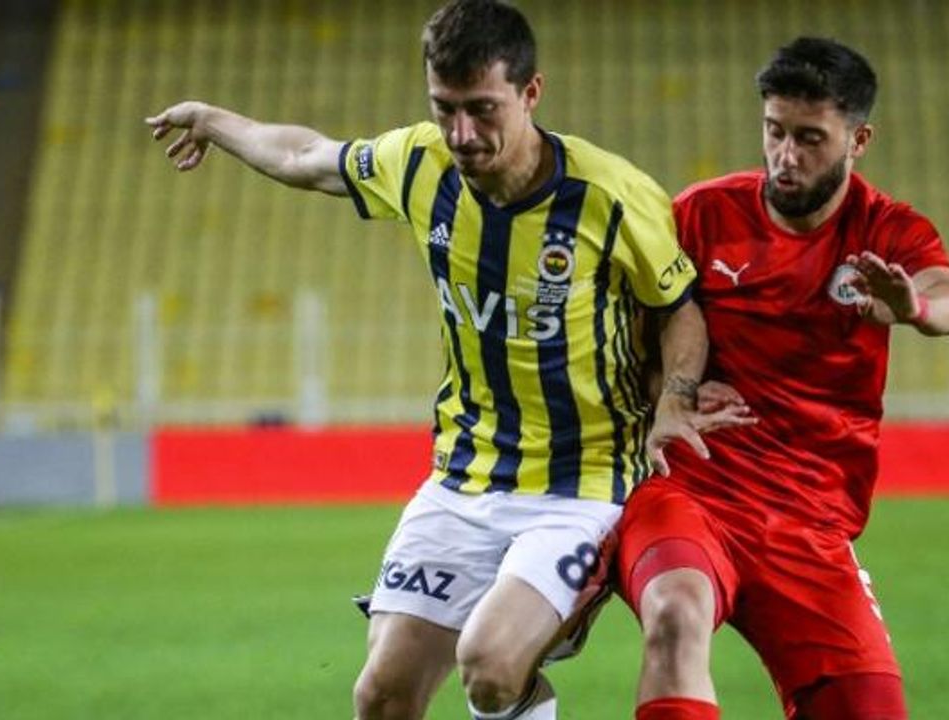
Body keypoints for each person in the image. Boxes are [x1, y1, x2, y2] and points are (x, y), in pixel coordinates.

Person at [145, 2, 752, 718]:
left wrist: (674, 398)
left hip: (581, 484)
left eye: (482, 109)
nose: (462, 134)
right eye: (445, 109)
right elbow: (306, 157)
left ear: (530, 93)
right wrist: (213, 121)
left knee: (490, 665)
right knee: (382, 695)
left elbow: (678, 305)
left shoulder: (610, 195)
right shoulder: (418, 163)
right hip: (463, 477)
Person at [614, 37, 949, 720]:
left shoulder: (886, 228)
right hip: (693, 489)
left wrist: (914, 309)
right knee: (675, 615)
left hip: (811, 518)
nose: (785, 154)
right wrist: (670, 389)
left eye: (810, 138)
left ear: (858, 139)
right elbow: (631, 343)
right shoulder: (702, 215)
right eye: (774, 131)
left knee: (870, 708)